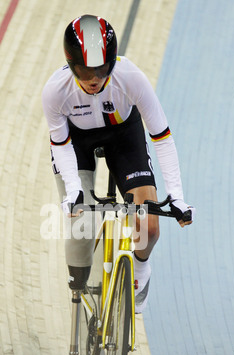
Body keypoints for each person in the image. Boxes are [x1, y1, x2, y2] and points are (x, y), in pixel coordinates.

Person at [42, 14, 195, 313]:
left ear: (112, 61)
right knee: (80, 224)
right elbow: (59, 145)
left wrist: (176, 195)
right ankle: (79, 290)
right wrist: (74, 191)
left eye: (100, 69)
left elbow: (162, 136)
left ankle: (139, 272)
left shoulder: (131, 78)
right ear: (71, 64)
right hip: (77, 143)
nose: (93, 78)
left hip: (123, 134)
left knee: (149, 228)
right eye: (85, 70)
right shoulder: (55, 91)